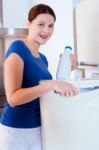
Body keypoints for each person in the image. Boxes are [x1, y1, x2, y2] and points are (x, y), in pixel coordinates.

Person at [0, 3, 78, 150]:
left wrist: (70, 67)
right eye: (41, 24)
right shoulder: (17, 49)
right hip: (15, 130)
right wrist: (51, 84)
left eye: (51, 26)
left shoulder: (43, 59)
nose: (46, 30)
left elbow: (43, 91)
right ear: (29, 24)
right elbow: (13, 98)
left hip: (37, 128)